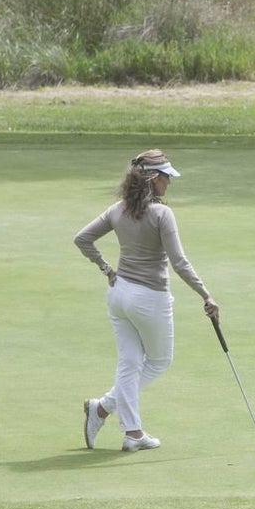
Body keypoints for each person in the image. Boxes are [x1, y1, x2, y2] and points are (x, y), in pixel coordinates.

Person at [74, 149, 219, 451]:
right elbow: (179, 262)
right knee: (158, 360)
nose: (170, 182)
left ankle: (130, 431)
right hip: (149, 298)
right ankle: (104, 409)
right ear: (153, 179)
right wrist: (206, 294)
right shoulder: (162, 214)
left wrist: (106, 269)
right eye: (166, 176)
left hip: (118, 293)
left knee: (129, 364)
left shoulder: (118, 209)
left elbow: (82, 238)